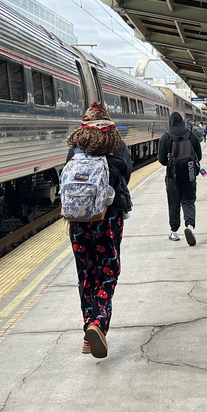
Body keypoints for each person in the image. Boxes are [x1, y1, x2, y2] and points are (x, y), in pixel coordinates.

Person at [64, 102, 132, 359]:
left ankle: (87, 336)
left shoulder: (75, 148)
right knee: (107, 272)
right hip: (108, 219)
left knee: (86, 275)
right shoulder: (117, 146)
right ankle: (98, 324)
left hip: (78, 222)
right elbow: (126, 175)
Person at [158, 111, 202, 246]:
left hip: (172, 177)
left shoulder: (165, 137)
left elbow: (161, 160)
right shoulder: (191, 135)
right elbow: (198, 156)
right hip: (189, 175)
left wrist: (171, 161)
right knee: (188, 201)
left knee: (174, 203)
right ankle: (190, 227)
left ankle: (174, 232)